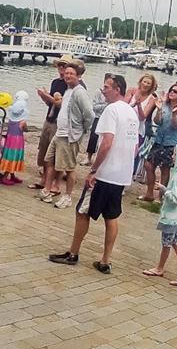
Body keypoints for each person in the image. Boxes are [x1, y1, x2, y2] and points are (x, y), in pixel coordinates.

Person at [49, 74, 138, 273]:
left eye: (106, 87)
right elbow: (134, 145)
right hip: (121, 174)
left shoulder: (111, 110)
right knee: (111, 216)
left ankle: (73, 252)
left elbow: (106, 143)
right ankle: (106, 259)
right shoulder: (131, 113)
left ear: (117, 89)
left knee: (82, 211)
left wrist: (94, 170)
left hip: (105, 173)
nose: (103, 90)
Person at [142, 143, 177, 286]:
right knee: (176, 242)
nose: (172, 157)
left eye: (175, 154)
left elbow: (175, 199)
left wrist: (163, 189)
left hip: (172, 216)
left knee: (167, 243)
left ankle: (160, 268)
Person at [42, 63, 94, 209]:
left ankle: (67, 196)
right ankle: (46, 190)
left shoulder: (79, 92)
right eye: (67, 73)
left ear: (78, 76)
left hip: (70, 135)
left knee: (69, 167)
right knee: (50, 161)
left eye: (72, 73)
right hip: (59, 132)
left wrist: (82, 129)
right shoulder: (68, 90)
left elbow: (89, 113)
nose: (68, 75)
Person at [141, 82, 177, 201]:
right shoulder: (164, 105)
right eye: (171, 90)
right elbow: (157, 121)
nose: (172, 92)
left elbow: (176, 125)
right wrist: (159, 110)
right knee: (148, 165)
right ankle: (149, 193)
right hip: (158, 140)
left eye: (175, 91)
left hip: (171, 143)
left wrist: (174, 114)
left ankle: (161, 197)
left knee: (165, 170)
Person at [30, 58, 69, 190]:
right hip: (49, 118)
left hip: (60, 121)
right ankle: (44, 179)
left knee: (55, 152)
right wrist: (44, 96)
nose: (61, 69)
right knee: (44, 149)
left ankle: (54, 183)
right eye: (60, 66)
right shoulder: (56, 82)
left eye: (64, 66)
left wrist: (47, 96)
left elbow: (61, 103)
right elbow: (51, 102)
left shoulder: (70, 86)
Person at [0, 91, 29, 185]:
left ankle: (11, 174)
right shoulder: (22, 121)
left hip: (10, 139)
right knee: (13, 156)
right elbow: (26, 129)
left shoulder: (11, 119)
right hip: (17, 140)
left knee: (9, 155)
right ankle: (5, 176)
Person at [82, 73, 110, 166]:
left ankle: (101, 159)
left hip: (108, 118)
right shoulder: (98, 92)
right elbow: (94, 107)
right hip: (98, 116)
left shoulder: (114, 93)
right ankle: (89, 157)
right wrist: (106, 105)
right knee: (93, 136)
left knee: (105, 139)